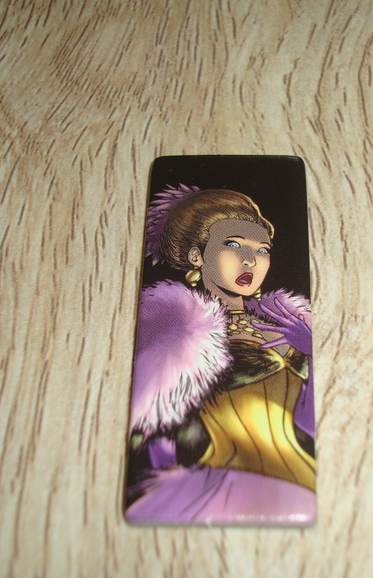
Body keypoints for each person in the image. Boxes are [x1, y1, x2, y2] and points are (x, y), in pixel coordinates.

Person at [125, 184, 315, 524]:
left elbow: (310, 422)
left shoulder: (287, 324)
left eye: (262, 250)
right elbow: (152, 428)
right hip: (223, 485)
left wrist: (310, 350)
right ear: (196, 256)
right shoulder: (178, 332)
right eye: (233, 245)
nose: (250, 260)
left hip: (305, 476)